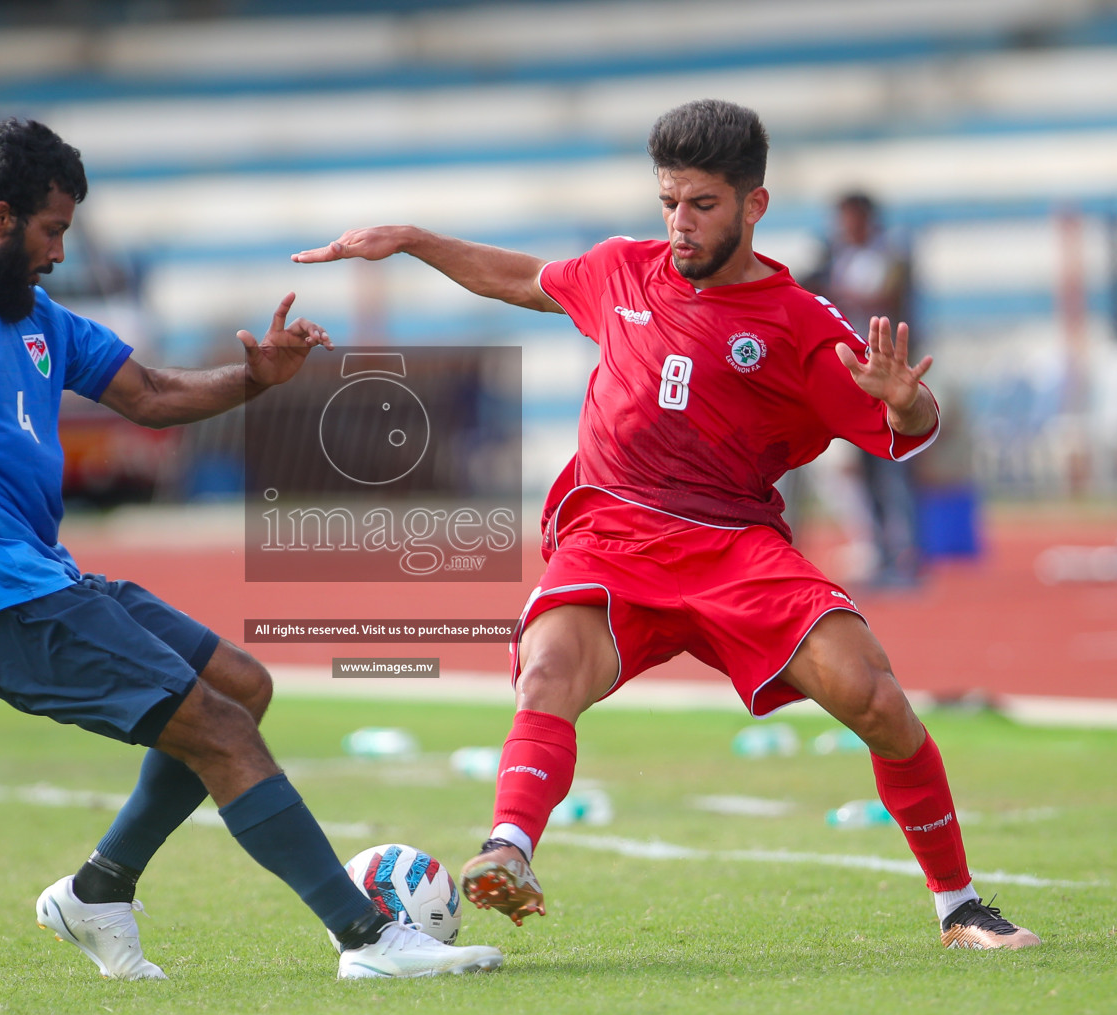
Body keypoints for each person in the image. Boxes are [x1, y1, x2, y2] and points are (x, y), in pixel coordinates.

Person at [0, 118, 502, 981]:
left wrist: (253, 380)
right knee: (217, 729)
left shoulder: (39, 320)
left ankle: (98, 892)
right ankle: (365, 940)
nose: (58, 254)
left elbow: (148, 393)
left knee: (238, 690)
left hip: (46, 581)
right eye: (51, 230)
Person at [294, 99, 1039, 951]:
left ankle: (960, 908)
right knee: (548, 671)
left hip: (736, 547)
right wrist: (415, 240)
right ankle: (509, 847)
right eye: (669, 203)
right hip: (612, 536)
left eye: (702, 205)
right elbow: (520, 279)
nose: (680, 225)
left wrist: (911, 403)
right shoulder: (621, 270)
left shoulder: (800, 325)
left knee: (877, 699)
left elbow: (905, 430)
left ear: (753, 206)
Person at [811, 191, 923, 586]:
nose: (846, 227)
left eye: (852, 219)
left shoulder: (890, 255)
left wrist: (837, 294)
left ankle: (909, 555)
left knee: (898, 464)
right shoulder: (836, 256)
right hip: (852, 375)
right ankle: (880, 552)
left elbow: (889, 298)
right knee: (866, 469)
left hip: (889, 370)